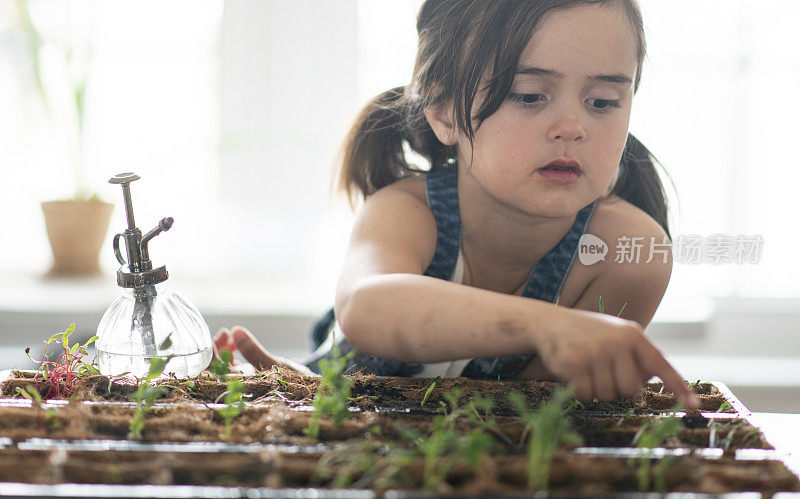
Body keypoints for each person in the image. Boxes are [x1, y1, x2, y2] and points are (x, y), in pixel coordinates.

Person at [215, 0, 700, 409]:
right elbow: (367, 307)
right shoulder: (409, 209)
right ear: (445, 112)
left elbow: (527, 424)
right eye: (529, 95)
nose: (572, 126)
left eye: (603, 102)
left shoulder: (628, 253)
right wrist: (299, 390)